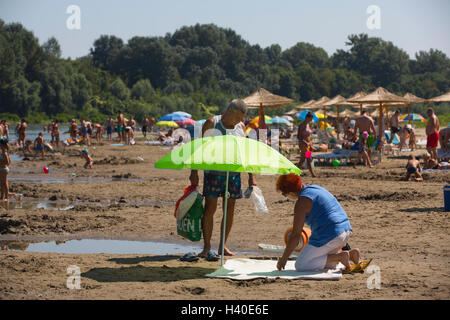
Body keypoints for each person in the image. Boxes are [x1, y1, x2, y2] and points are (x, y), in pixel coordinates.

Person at [189, 99, 257, 259]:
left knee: (230, 209)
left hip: (233, 174)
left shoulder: (241, 127)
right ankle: (206, 247)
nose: (241, 121)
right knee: (210, 208)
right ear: (229, 111)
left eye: (242, 118)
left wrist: (251, 176)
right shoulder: (212, 123)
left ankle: (222, 246)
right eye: (239, 117)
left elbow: (245, 152)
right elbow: (198, 148)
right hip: (213, 173)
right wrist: (194, 172)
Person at [275, 174, 360, 272]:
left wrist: (283, 260)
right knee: (328, 265)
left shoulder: (302, 202)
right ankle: (350, 254)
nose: (286, 197)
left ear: (290, 192)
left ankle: (340, 257)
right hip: (345, 230)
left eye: (284, 194)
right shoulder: (315, 188)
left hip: (331, 234)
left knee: (301, 265)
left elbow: (296, 235)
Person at [296, 112, 318, 177]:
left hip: (308, 145)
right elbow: (299, 136)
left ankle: (295, 172)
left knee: (303, 159)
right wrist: (305, 142)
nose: (311, 120)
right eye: (310, 119)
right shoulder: (302, 125)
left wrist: (311, 144)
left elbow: (309, 136)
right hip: (303, 144)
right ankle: (312, 174)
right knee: (308, 159)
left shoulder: (308, 125)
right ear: (306, 118)